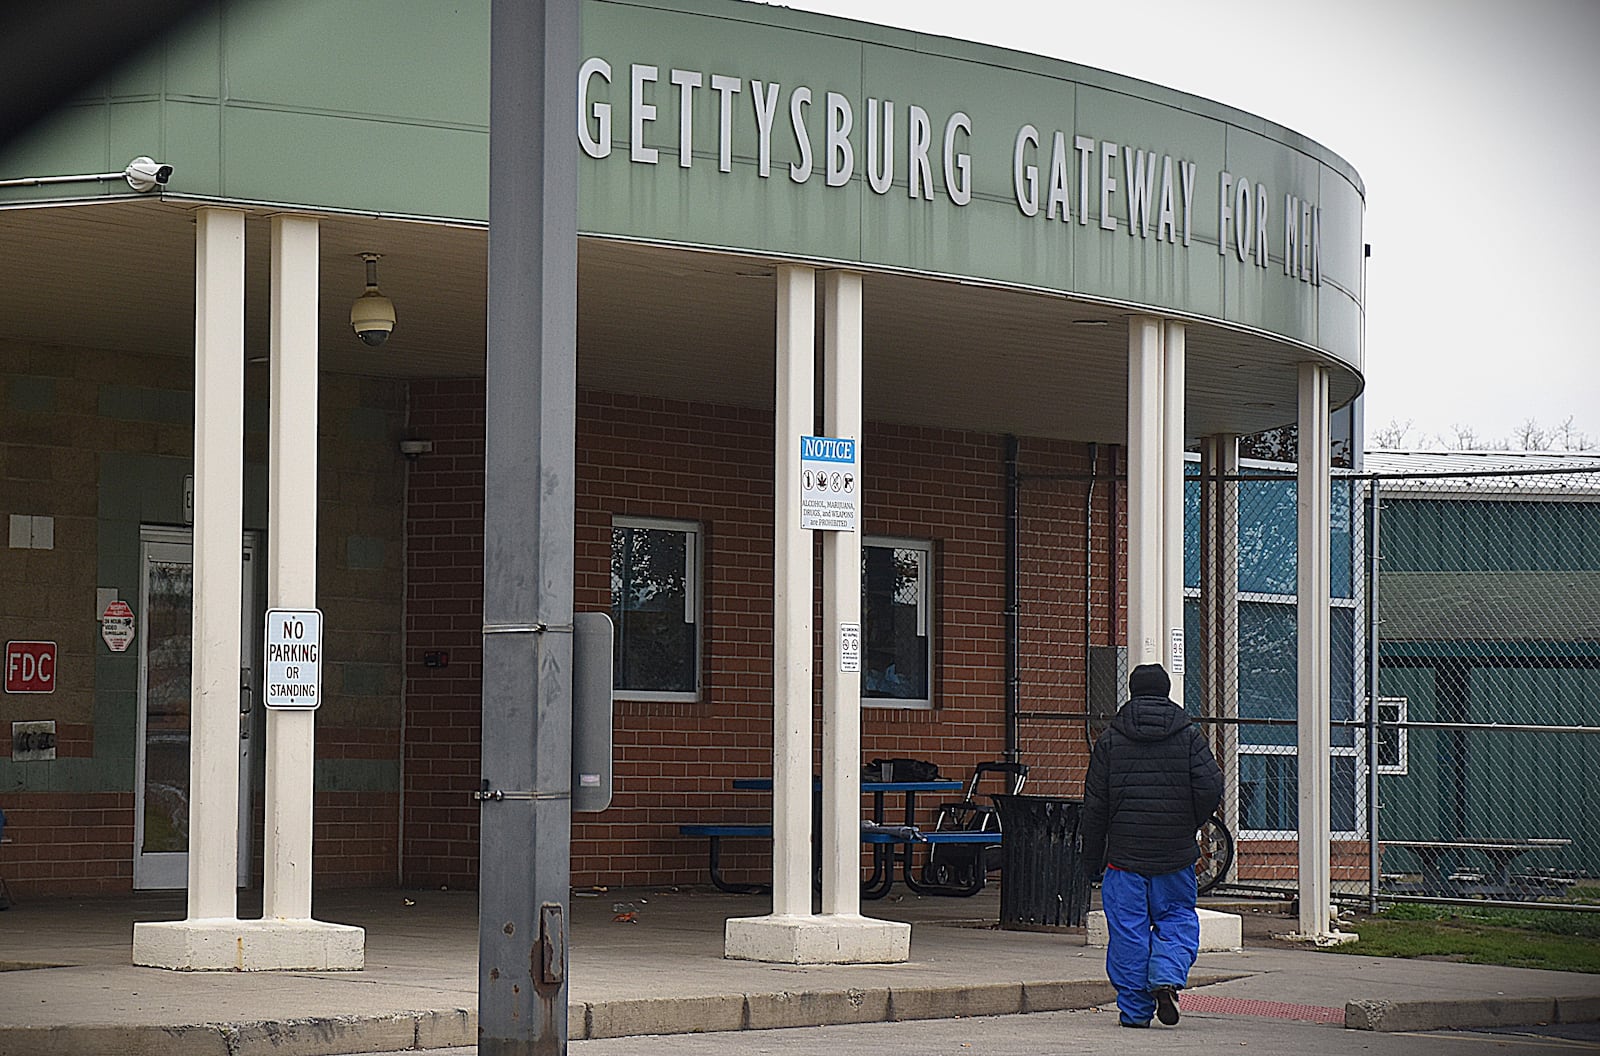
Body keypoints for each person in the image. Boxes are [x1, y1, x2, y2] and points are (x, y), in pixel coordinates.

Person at [1080, 662, 1223, 1028]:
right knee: (1176, 918)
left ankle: (1135, 1012)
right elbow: (1211, 786)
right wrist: (1188, 821)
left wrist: (1091, 859)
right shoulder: (1189, 736)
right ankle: (1165, 974)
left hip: (1124, 858)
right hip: (1175, 855)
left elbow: (1095, 805)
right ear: (1166, 691)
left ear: (1132, 692)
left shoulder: (1110, 739)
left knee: (1128, 929)